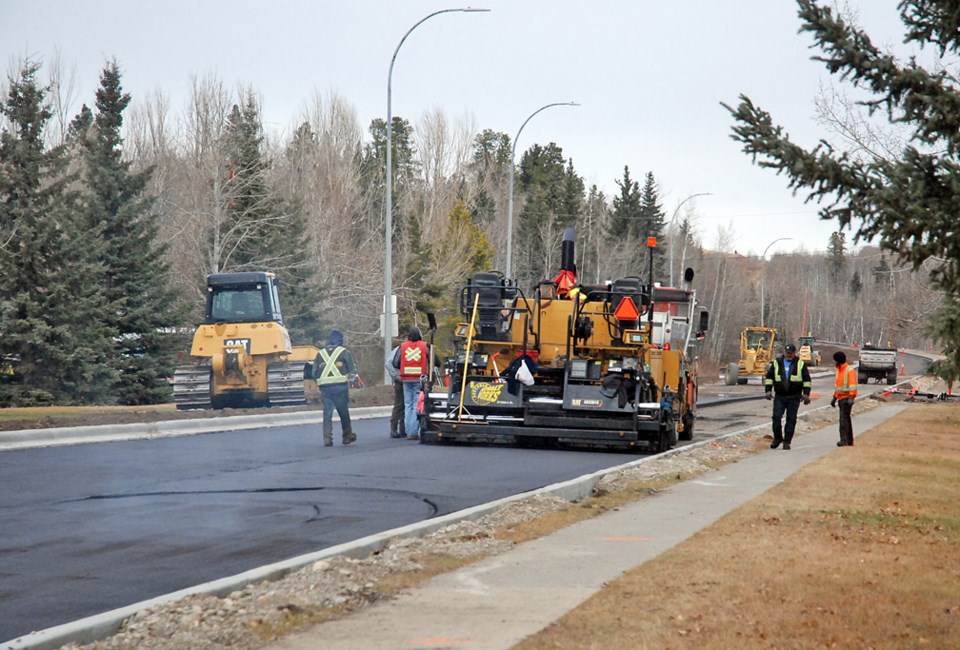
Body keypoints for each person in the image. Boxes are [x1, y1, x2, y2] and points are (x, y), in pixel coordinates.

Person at [764, 342, 812, 450]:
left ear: (794, 353)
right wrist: (768, 391)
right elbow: (769, 377)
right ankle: (777, 438)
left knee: (791, 419)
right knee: (776, 418)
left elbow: (807, 380)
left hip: (794, 397)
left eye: (790, 353)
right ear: (784, 353)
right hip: (780, 396)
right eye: (787, 353)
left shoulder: (800, 364)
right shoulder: (777, 363)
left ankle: (787, 441)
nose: (788, 355)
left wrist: (806, 394)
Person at [315, 329, 356, 447]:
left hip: (326, 389)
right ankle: (347, 436)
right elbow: (350, 367)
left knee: (327, 413)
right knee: (343, 412)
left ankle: (327, 438)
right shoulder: (344, 352)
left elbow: (314, 372)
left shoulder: (320, 353)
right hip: (340, 388)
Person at [396, 326, 428, 441]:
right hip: (419, 380)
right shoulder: (424, 346)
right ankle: (414, 432)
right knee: (416, 405)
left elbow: (396, 362)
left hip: (406, 379)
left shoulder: (403, 346)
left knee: (407, 405)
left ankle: (409, 431)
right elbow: (435, 359)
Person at [831, 350, 858, 446]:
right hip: (841, 398)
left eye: (834, 360)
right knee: (846, 419)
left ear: (838, 360)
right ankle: (849, 441)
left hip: (846, 399)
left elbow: (852, 386)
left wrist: (851, 398)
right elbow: (838, 386)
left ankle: (844, 440)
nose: (833, 362)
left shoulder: (849, 371)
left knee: (843, 420)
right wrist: (834, 398)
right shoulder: (839, 370)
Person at [385, 342, 405, 439]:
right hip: (401, 381)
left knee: (408, 406)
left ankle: (403, 429)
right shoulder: (400, 349)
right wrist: (397, 376)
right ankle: (394, 429)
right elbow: (389, 364)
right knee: (399, 405)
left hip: (411, 381)